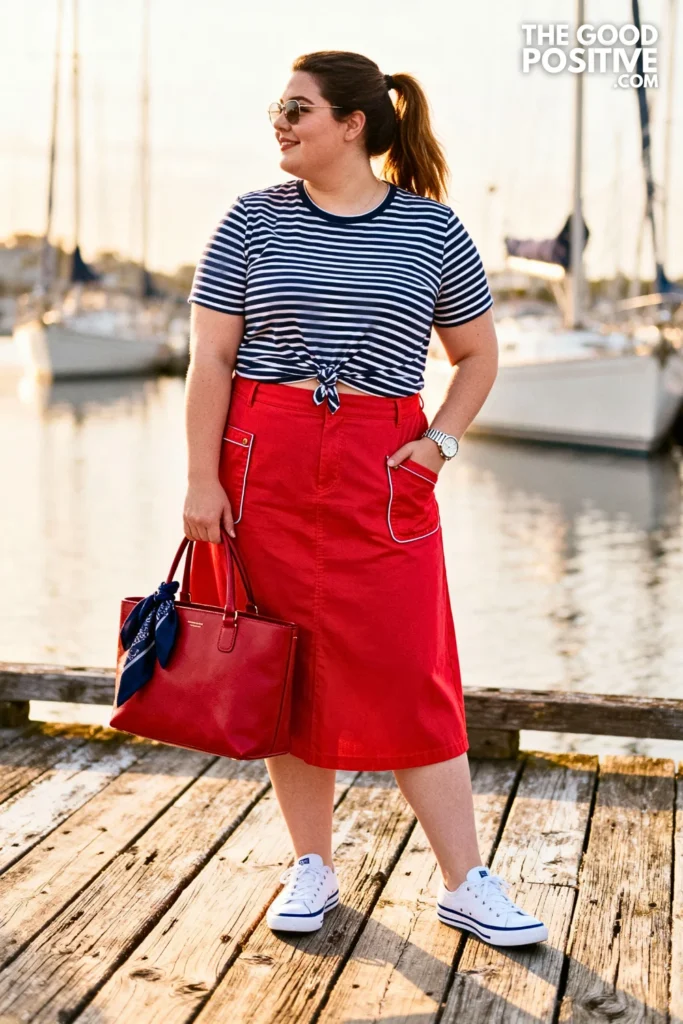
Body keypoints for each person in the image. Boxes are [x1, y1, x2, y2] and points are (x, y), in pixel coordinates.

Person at [184, 49, 548, 948]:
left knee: (411, 671)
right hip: (260, 465)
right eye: (278, 106)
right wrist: (199, 481)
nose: (280, 120)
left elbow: (476, 356)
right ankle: (311, 866)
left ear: (352, 123)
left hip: (382, 471)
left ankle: (465, 880)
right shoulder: (248, 222)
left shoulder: (432, 229)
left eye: (297, 108)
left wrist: (439, 443)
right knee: (284, 665)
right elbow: (210, 362)